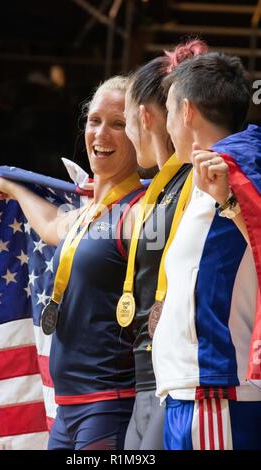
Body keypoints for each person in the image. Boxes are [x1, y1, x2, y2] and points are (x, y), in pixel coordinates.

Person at [0, 76, 145, 450]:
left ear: (142, 130)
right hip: (68, 408)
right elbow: (55, 225)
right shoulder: (89, 213)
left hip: (110, 407)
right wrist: (13, 187)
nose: (101, 133)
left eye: (119, 124)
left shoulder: (142, 211)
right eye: (94, 120)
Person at [152, 52, 261, 450]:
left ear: (186, 110)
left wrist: (232, 201)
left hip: (216, 389)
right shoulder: (209, 172)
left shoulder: (242, 168)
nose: (165, 126)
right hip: (193, 390)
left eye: (166, 111)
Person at [121, 40, 208, 450]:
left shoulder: (199, 178)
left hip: (174, 377)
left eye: (123, 122)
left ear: (143, 116)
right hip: (143, 372)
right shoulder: (158, 187)